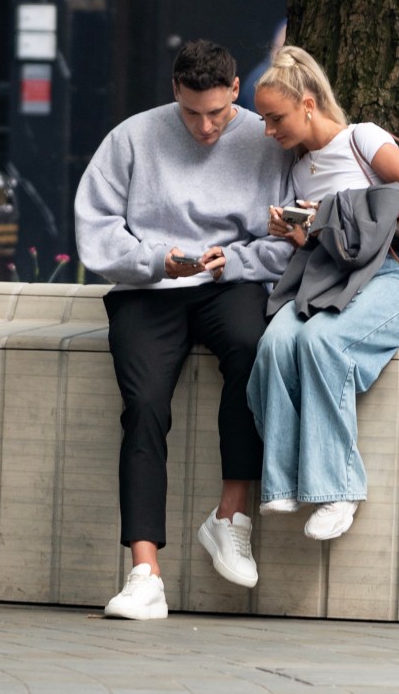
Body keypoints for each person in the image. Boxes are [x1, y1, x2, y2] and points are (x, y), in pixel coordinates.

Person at [74, 39, 294, 620]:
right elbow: (96, 232)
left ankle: (231, 516)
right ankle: (144, 573)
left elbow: (289, 237)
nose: (205, 126)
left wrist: (238, 261)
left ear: (236, 94)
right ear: (175, 91)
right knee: (144, 403)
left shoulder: (265, 140)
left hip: (232, 281)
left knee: (253, 350)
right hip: (150, 288)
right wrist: (156, 260)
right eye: (193, 112)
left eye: (218, 113)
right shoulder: (132, 137)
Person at [247, 45, 399, 541]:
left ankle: (340, 488)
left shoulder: (362, 139)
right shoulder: (297, 166)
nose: (269, 130)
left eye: (275, 117)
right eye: (264, 120)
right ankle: (284, 479)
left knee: (321, 344)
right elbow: (325, 238)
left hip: (394, 277)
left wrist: (333, 210)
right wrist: (296, 229)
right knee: (272, 346)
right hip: (329, 278)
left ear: (308, 104)